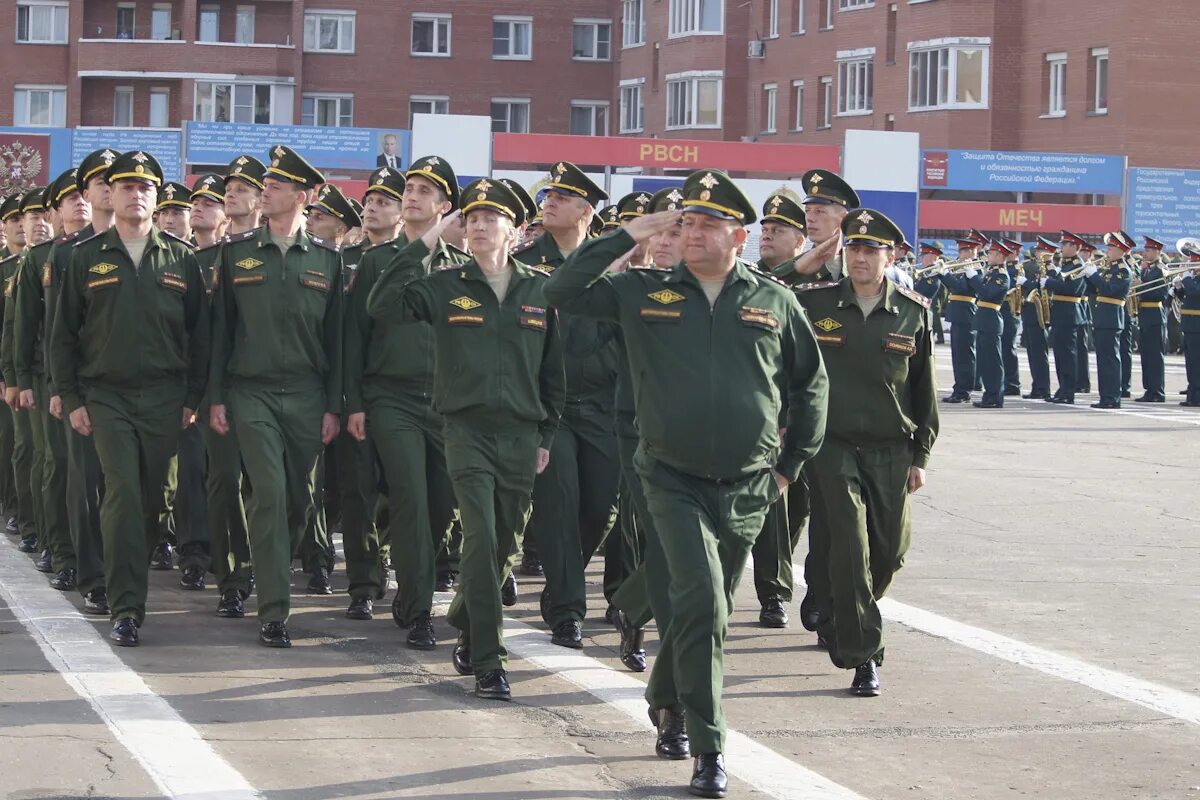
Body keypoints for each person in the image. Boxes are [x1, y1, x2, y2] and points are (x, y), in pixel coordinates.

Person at [544, 169, 827, 799]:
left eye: (708, 224)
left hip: (751, 483)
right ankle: (710, 746)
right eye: (687, 223)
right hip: (670, 477)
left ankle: (667, 694)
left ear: (740, 235)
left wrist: (791, 465)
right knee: (701, 601)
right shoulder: (642, 292)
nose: (693, 233)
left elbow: (810, 384)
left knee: (711, 609)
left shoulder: (773, 299)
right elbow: (561, 290)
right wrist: (624, 234)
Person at [367, 178, 565, 701]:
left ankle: (465, 616)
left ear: (516, 229)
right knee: (479, 538)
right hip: (466, 431)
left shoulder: (541, 289)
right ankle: (490, 662)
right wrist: (429, 237)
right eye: (471, 217)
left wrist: (545, 433)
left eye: (491, 217)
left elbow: (554, 374)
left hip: (522, 435)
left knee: (503, 544)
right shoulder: (447, 284)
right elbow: (384, 303)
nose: (478, 225)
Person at [49, 151, 209, 647]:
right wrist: (71, 396)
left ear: (157, 199)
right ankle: (125, 608)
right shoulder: (85, 256)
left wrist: (192, 396)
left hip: (164, 397)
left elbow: (200, 335)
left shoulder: (181, 258)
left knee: (149, 502)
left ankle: (130, 590)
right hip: (107, 395)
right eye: (125, 186)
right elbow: (63, 337)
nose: (135, 194)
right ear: (110, 196)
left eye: (145, 188)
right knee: (120, 492)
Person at [796, 207, 938, 697]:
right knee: (851, 546)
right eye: (854, 248)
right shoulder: (813, 303)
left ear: (891, 255)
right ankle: (864, 654)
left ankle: (843, 613)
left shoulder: (913, 311)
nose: (860, 257)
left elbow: (924, 392)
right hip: (831, 446)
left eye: (871, 250)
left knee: (889, 552)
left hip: (892, 449)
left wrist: (921, 455)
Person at [208, 145, 344, 648]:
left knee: (299, 500)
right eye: (265, 183)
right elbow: (221, 330)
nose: (266, 190)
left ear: (303, 197)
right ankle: (273, 609)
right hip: (252, 393)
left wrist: (334, 404)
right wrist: (217, 396)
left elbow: (338, 342)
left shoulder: (329, 260)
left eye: (278, 185)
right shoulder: (236, 252)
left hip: (308, 396)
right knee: (267, 491)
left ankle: (261, 559)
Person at [344, 157, 468, 642]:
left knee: (442, 504)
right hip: (390, 398)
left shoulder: (460, 268)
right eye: (409, 188)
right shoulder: (378, 261)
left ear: (445, 206)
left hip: (445, 404)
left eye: (424, 191)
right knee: (413, 499)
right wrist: (354, 401)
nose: (412, 195)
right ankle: (417, 608)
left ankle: (412, 574)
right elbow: (354, 336)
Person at [516, 161, 617, 649]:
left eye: (563, 196)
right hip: (548, 407)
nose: (549, 201)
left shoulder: (608, 261)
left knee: (598, 506)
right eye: (548, 195)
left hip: (602, 405)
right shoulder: (526, 260)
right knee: (558, 504)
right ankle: (566, 610)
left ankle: (563, 584)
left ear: (585, 209)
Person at [14, 169, 90, 592]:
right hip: (50, 378)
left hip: (99, 377)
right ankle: (61, 550)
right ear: (58, 210)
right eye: (70, 198)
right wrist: (22, 378)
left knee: (96, 476)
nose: (79, 203)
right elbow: (25, 326)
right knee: (58, 464)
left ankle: (95, 554)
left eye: (86, 195)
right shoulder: (43, 257)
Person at [752, 191, 811, 629]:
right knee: (772, 503)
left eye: (778, 231)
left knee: (802, 507)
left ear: (801, 241)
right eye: (764, 230)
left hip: (810, 414)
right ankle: (774, 592)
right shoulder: (750, 281)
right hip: (764, 416)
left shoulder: (822, 286)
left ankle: (786, 578)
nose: (766, 236)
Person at [4, 188, 53, 558]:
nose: (35, 223)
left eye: (41, 214)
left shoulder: (66, 257)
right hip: (31, 372)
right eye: (27, 217)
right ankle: (30, 519)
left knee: (57, 457)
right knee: (29, 448)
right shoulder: (14, 268)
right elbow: (11, 328)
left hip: (64, 373)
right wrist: (11, 376)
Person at [1085, 232, 1134, 409]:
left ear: (1121, 250)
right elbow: (1096, 290)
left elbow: (1108, 289)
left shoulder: (1123, 271)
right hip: (1103, 317)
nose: (1108, 250)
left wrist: (1094, 276)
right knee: (1103, 360)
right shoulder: (1111, 269)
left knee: (1110, 360)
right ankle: (1105, 396)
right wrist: (1088, 276)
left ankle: (1113, 397)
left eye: (1111, 247)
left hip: (1112, 318)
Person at [1043, 231, 1089, 404]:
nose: (1061, 248)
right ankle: (1062, 388)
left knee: (1068, 355)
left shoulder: (1078, 265)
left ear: (1074, 247)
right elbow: (1062, 283)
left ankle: (1068, 391)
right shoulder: (1067, 264)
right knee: (1060, 354)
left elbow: (1071, 289)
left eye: (1065, 245)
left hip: (1070, 314)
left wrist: (1048, 283)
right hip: (1061, 313)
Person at [940, 234, 981, 403]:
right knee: (957, 355)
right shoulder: (961, 267)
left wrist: (946, 275)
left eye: (964, 250)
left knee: (965, 355)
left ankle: (965, 390)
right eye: (961, 250)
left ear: (972, 252)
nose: (961, 253)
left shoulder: (975, 268)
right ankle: (959, 388)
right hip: (957, 313)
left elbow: (961, 288)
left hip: (967, 313)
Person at [971, 241, 1010, 409]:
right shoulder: (990, 273)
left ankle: (995, 396)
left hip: (992, 320)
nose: (989, 256)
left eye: (992, 254)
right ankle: (989, 394)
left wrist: (973, 278)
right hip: (983, 320)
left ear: (1001, 256)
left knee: (993, 362)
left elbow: (987, 293)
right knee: (985, 361)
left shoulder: (1002, 276)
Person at [1020, 237, 1056, 400]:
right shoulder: (1034, 266)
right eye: (1038, 250)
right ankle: (1037, 386)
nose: (1038, 253)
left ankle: (1043, 387)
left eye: (1041, 250)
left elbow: (1043, 289)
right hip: (1030, 312)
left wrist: (1026, 282)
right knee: (1033, 353)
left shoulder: (1051, 269)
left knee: (1039, 354)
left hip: (1041, 314)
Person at [1134, 236, 1169, 402]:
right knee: (1146, 356)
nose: (1145, 253)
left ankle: (1157, 391)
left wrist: (1140, 286)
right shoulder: (1146, 269)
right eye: (1145, 249)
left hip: (1155, 314)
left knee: (1155, 356)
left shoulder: (1161, 270)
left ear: (1157, 251)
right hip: (1145, 315)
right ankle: (1149, 389)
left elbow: (1160, 294)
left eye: (1148, 250)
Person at [1174, 255, 1200, 407]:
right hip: (1189, 325)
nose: (1191, 265)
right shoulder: (1193, 278)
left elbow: (1196, 291)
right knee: (1191, 363)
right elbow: (1187, 296)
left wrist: (1186, 279)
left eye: (1194, 262)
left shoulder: (1192, 280)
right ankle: (1192, 394)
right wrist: (1178, 289)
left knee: (1197, 363)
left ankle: (1197, 396)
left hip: (1197, 326)